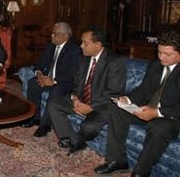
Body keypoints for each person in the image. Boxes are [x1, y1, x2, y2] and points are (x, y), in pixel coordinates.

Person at [95, 30, 180, 177]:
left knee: (158, 127)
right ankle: (118, 161)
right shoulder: (155, 66)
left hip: (171, 117)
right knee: (116, 109)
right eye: (159, 52)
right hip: (148, 110)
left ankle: (141, 172)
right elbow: (143, 90)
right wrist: (127, 100)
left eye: (167, 54)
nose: (161, 57)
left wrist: (157, 113)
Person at [48, 25, 126, 155]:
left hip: (103, 105)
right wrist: (75, 98)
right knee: (54, 104)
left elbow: (114, 93)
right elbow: (77, 82)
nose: (81, 46)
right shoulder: (84, 58)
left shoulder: (115, 62)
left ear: (97, 45)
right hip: (83, 99)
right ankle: (70, 139)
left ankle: (78, 140)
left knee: (88, 127)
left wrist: (91, 107)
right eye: (81, 42)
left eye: (85, 43)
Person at [22, 22, 81, 138]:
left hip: (64, 83)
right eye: (52, 33)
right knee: (33, 83)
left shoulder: (74, 50)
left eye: (55, 34)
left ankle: (45, 125)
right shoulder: (51, 46)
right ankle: (35, 117)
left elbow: (73, 75)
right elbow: (39, 64)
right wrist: (39, 75)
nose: (52, 36)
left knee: (56, 91)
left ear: (65, 36)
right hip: (48, 79)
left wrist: (53, 81)